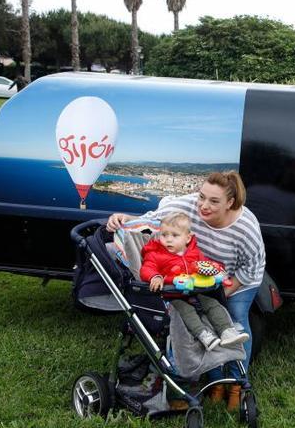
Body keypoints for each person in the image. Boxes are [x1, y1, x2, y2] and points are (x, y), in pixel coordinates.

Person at [107, 170, 265, 410]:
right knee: (203, 321)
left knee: (235, 320)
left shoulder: (246, 228)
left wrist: (224, 291)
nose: (203, 205)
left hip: (236, 279)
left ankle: (236, 384)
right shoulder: (188, 206)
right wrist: (123, 219)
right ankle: (214, 381)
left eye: (214, 201)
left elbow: (253, 268)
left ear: (230, 203)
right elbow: (154, 220)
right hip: (196, 277)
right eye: (202, 197)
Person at [141, 212, 249, 352]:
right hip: (171, 297)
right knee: (186, 310)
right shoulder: (155, 254)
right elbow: (147, 268)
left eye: (174, 235)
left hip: (194, 292)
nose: (168, 240)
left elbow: (205, 264)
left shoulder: (194, 252)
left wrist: (217, 270)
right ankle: (204, 336)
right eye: (164, 235)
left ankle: (227, 331)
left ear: (187, 238)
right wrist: (155, 277)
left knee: (213, 304)